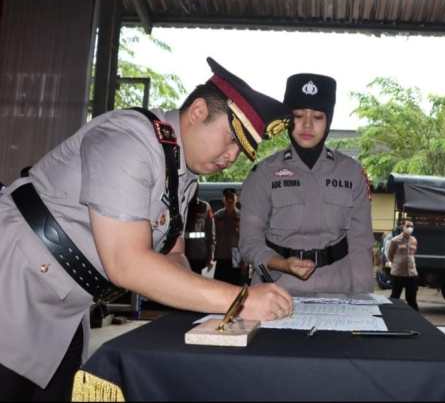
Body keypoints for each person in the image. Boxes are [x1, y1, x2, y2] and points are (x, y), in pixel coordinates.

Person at [0, 57, 294, 401]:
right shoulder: (129, 139)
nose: (231, 157)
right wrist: (239, 301)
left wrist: (209, 305)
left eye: (240, 150)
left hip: (66, 306)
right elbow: (127, 262)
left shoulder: (181, 173)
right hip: (15, 285)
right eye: (230, 139)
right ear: (198, 110)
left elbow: (173, 255)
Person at [240, 73, 374, 294]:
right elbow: (249, 242)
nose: (307, 125)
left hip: (337, 292)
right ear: (287, 120)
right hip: (276, 290)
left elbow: (360, 244)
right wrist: (279, 263)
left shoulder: (351, 173)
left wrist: (363, 301)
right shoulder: (263, 173)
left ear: (328, 120)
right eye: (299, 115)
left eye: (318, 116)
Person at [213, 188, 245, 285]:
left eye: (232, 197)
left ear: (237, 198)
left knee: (236, 285)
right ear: (223, 200)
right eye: (227, 197)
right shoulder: (217, 216)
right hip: (222, 254)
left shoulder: (242, 216)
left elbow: (245, 239)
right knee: (220, 285)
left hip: (236, 255)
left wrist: (245, 261)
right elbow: (213, 236)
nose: (229, 199)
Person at [387, 220, 419, 310]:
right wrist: (398, 264)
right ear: (403, 227)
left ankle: (415, 317)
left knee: (411, 298)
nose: (410, 228)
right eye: (408, 226)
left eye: (412, 226)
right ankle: (391, 314)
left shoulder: (414, 240)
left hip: (411, 274)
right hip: (398, 274)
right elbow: (390, 255)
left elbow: (413, 254)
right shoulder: (395, 240)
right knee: (395, 297)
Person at [184, 188, 216, 275]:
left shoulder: (205, 206)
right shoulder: (182, 206)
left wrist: (210, 256)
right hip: (183, 254)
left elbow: (211, 234)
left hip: (200, 255)